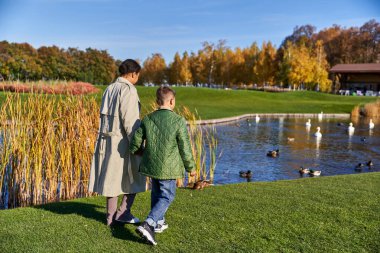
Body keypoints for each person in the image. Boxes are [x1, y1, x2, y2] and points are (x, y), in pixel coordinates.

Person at [130, 86, 196, 245]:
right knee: (167, 196)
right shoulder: (178, 121)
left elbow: (135, 142)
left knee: (157, 192)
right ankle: (149, 223)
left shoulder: (147, 118)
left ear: (157, 101)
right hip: (169, 167)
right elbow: (185, 147)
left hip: (152, 166)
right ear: (172, 101)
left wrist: (138, 151)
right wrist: (191, 167)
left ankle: (159, 222)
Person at [89, 59, 146, 226]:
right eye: (138, 75)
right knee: (136, 176)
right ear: (134, 74)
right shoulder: (129, 90)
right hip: (123, 142)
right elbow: (130, 122)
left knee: (111, 179)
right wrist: (138, 145)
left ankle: (110, 217)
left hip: (107, 142)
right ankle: (123, 212)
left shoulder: (109, 88)